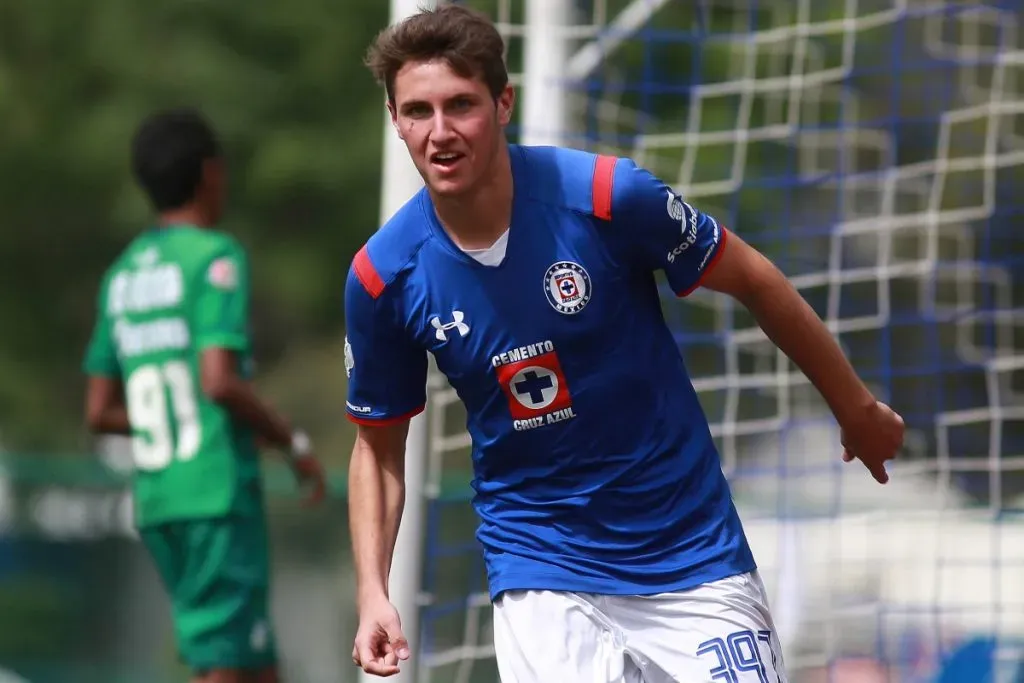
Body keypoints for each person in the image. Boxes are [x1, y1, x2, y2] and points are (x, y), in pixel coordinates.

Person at [346, 5, 905, 682]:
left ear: (503, 103)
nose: (439, 133)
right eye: (417, 111)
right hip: (540, 561)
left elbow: (756, 279)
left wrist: (856, 409)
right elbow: (378, 447)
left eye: (460, 105)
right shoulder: (383, 276)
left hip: (690, 550)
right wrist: (374, 590)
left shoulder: (608, 197)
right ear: (394, 118)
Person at [81, 107, 327, 683]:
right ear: (212, 174)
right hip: (213, 495)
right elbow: (218, 380)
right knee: (225, 665)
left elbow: (99, 412)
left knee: (250, 662)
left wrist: (168, 417)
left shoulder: (122, 276)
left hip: (160, 499)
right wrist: (288, 438)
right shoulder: (214, 257)